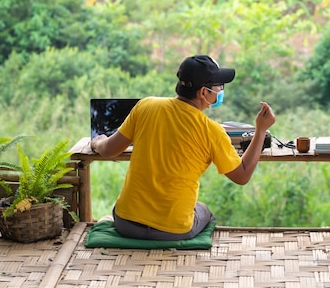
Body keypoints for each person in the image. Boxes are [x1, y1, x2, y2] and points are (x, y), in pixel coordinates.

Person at [90, 54, 276, 240]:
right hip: (173, 230)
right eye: (219, 86)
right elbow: (242, 176)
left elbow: (109, 149)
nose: (220, 90)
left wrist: (97, 141)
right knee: (203, 210)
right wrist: (260, 130)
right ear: (204, 93)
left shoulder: (145, 106)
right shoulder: (212, 131)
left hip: (126, 223)